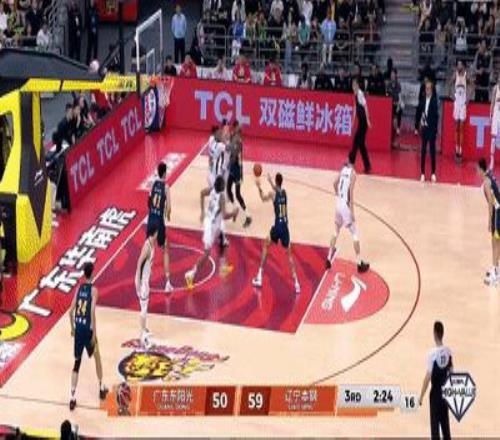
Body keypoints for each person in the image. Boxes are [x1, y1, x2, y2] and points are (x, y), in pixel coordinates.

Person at [185, 176, 239, 288]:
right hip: (211, 226)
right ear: (222, 186)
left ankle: (223, 266)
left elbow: (202, 193)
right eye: (224, 184)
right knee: (206, 254)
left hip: (213, 222)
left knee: (224, 242)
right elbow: (224, 215)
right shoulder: (222, 197)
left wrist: (202, 211)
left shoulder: (212, 190)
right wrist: (234, 213)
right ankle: (191, 274)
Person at [68, 262, 108, 411]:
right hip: (87, 330)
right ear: (93, 273)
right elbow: (91, 312)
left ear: (84, 274)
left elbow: (70, 312)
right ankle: (101, 388)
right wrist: (94, 334)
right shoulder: (94, 290)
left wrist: (72, 329)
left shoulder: (79, 289)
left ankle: (72, 397)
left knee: (77, 363)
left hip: (78, 329)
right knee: (97, 356)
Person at [252, 173, 301, 294]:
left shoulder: (272, 194)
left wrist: (259, 187)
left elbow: (263, 198)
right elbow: (277, 189)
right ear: (282, 182)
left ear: (275, 181)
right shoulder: (284, 193)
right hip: (285, 227)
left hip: (277, 227)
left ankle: (259, 276)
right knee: (289, 256)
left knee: (266, 245)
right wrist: (271, 182)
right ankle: (296, 283)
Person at [325, 152, 370, 273]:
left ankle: (328, 258)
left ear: (348, 159)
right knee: (355, 234)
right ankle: (359, 263)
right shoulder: (353, 174)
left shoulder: (343, 170)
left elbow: (334, 183)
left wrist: (337, 194)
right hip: (345, 206)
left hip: (338, 204)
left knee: (336, 231)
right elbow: (350, 192)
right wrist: (352, 211)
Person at [418, 321, 453, 440]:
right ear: (442, 333)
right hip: (445, 395)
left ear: (434, 334)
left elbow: (427, 377)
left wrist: (421, 396)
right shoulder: (448, 351)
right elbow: (451, 373)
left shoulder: (432, 354)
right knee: (446, 429)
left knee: (435, 431)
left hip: (435, 396)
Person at [147, 162, 173, 292]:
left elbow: (148, 202)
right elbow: (169, 207)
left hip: (150, 219)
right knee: (165, 250)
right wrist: (168, 215)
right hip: (159, 221)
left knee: (149, 250)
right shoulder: (166, 187)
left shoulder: (152, 184)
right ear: (165, 173)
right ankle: (167, 283)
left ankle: (145, 280)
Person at [135, 224, 158, 349]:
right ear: (154, 233)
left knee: (145, 308)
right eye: (157, 232)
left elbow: (147, 263)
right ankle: (143, 337)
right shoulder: (147, 247)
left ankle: (144, 330)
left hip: (145, 280)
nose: (158, 234)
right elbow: (139, 264)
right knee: (143, 309)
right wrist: (139, 283)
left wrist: (150, 271)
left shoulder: (151, 244)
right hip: (142, 282)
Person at [478, 157, 500, 285]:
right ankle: (496, 268)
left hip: (497, 212)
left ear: (481, 169)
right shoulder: (490, 175)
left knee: (495, 242)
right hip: (498, 211)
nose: (476, 171)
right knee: (496, 241)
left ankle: (495, 273)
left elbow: (491, 202)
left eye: (477, 169)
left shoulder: (486, 182)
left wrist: (489, 220)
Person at [227, 122, 252, 228]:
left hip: (237, 170)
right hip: (233, 168)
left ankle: (248, 216)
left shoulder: (238, 141)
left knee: (237, 194)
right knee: (228, 189)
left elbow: (234, 154)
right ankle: (235, 208)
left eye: (236, 129)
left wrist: (229, 163)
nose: (234, 130)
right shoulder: (233, 137)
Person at [449, 59, 469, 163]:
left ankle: (460, 149)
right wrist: (451, 95)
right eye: (458, 64)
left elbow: (472, 85)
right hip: (457, 103)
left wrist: (468, 98)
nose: (459, 66)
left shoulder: (466, 75)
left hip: (463, 103)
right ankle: (456, 148)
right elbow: (449, 84)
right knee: (456, 127)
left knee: (461, 128)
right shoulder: (455, 75)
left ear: (463, 66)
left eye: (460, 64)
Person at [350, 77, 372, 173]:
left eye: (354, 85)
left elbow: (365, 106)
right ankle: (367, 166)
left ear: (358, 85)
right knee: (361, 145)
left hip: (363, 122)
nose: (353, 87)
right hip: (360, 121)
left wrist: (368, 120)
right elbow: (355, 107)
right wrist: (353, 120)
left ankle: (351, 162)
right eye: (352, 85)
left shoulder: (359, 94)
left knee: (356, 141)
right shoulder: (355, 94)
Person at [418, 80, 438, 182]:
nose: (428, 91)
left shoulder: (434, 101)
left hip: (431, 129)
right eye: (426, 89)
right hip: (424, 128)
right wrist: (419, 125)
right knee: (423, 151)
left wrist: (435, 130)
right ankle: (422, 173)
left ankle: (433, 173)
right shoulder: (422, 100)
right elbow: (419, 112)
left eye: (429, 89)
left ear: (432, 90)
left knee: (432, 152)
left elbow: (436, 116)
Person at [489, 75, 500, 170]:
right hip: (496, 114)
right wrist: (490, 115)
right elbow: (492, 103)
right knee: (493, 138)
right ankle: (491, 160)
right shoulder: (495, 88)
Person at [86, 0, 99, 64]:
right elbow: (87, 21)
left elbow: (97, 20)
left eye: (92, 1)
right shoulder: (88, 10)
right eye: (91, 1)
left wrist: (96, 28)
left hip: (95, 31)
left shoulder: (96, 10)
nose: (92, 2)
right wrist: (91, 29)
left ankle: (95, 61)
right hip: (90, 31)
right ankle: (87, 61)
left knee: (95, 47)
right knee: (89, 47)